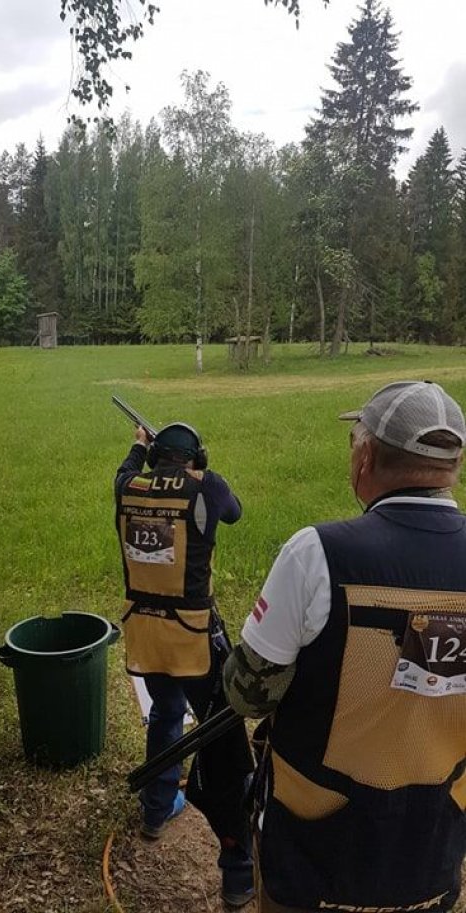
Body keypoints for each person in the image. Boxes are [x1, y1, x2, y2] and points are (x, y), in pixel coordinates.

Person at [223, 380, 466, 913]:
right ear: (451, 467)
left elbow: (249, 695)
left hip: (313, 856)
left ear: (365, 456)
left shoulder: (317, 552)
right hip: (434, 850)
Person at [115, 421, 255, 909]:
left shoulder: (128, 487)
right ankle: (239, 870)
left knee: (165, 713)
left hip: (146, 632)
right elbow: (234, 512)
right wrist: (201, 469)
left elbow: (128, 468)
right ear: (196, 457)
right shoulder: (206, 487)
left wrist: (140, 444)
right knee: (222, 741)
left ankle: (157, 808)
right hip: (194, 638)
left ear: (154, 456)